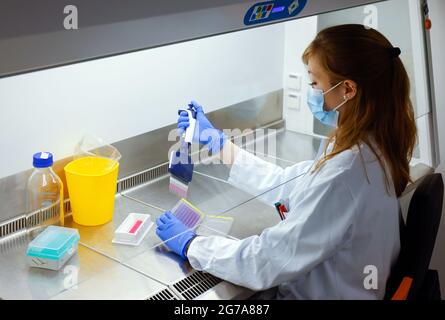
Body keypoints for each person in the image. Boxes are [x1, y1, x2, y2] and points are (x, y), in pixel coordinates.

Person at [155, 24, 417, 299]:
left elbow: (267, 260)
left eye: (316, 83)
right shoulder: (372, 145)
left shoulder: (346, 172)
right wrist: (219, 143)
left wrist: (192, 245)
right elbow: (290, 184)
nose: (313, 92)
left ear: (348, 89)